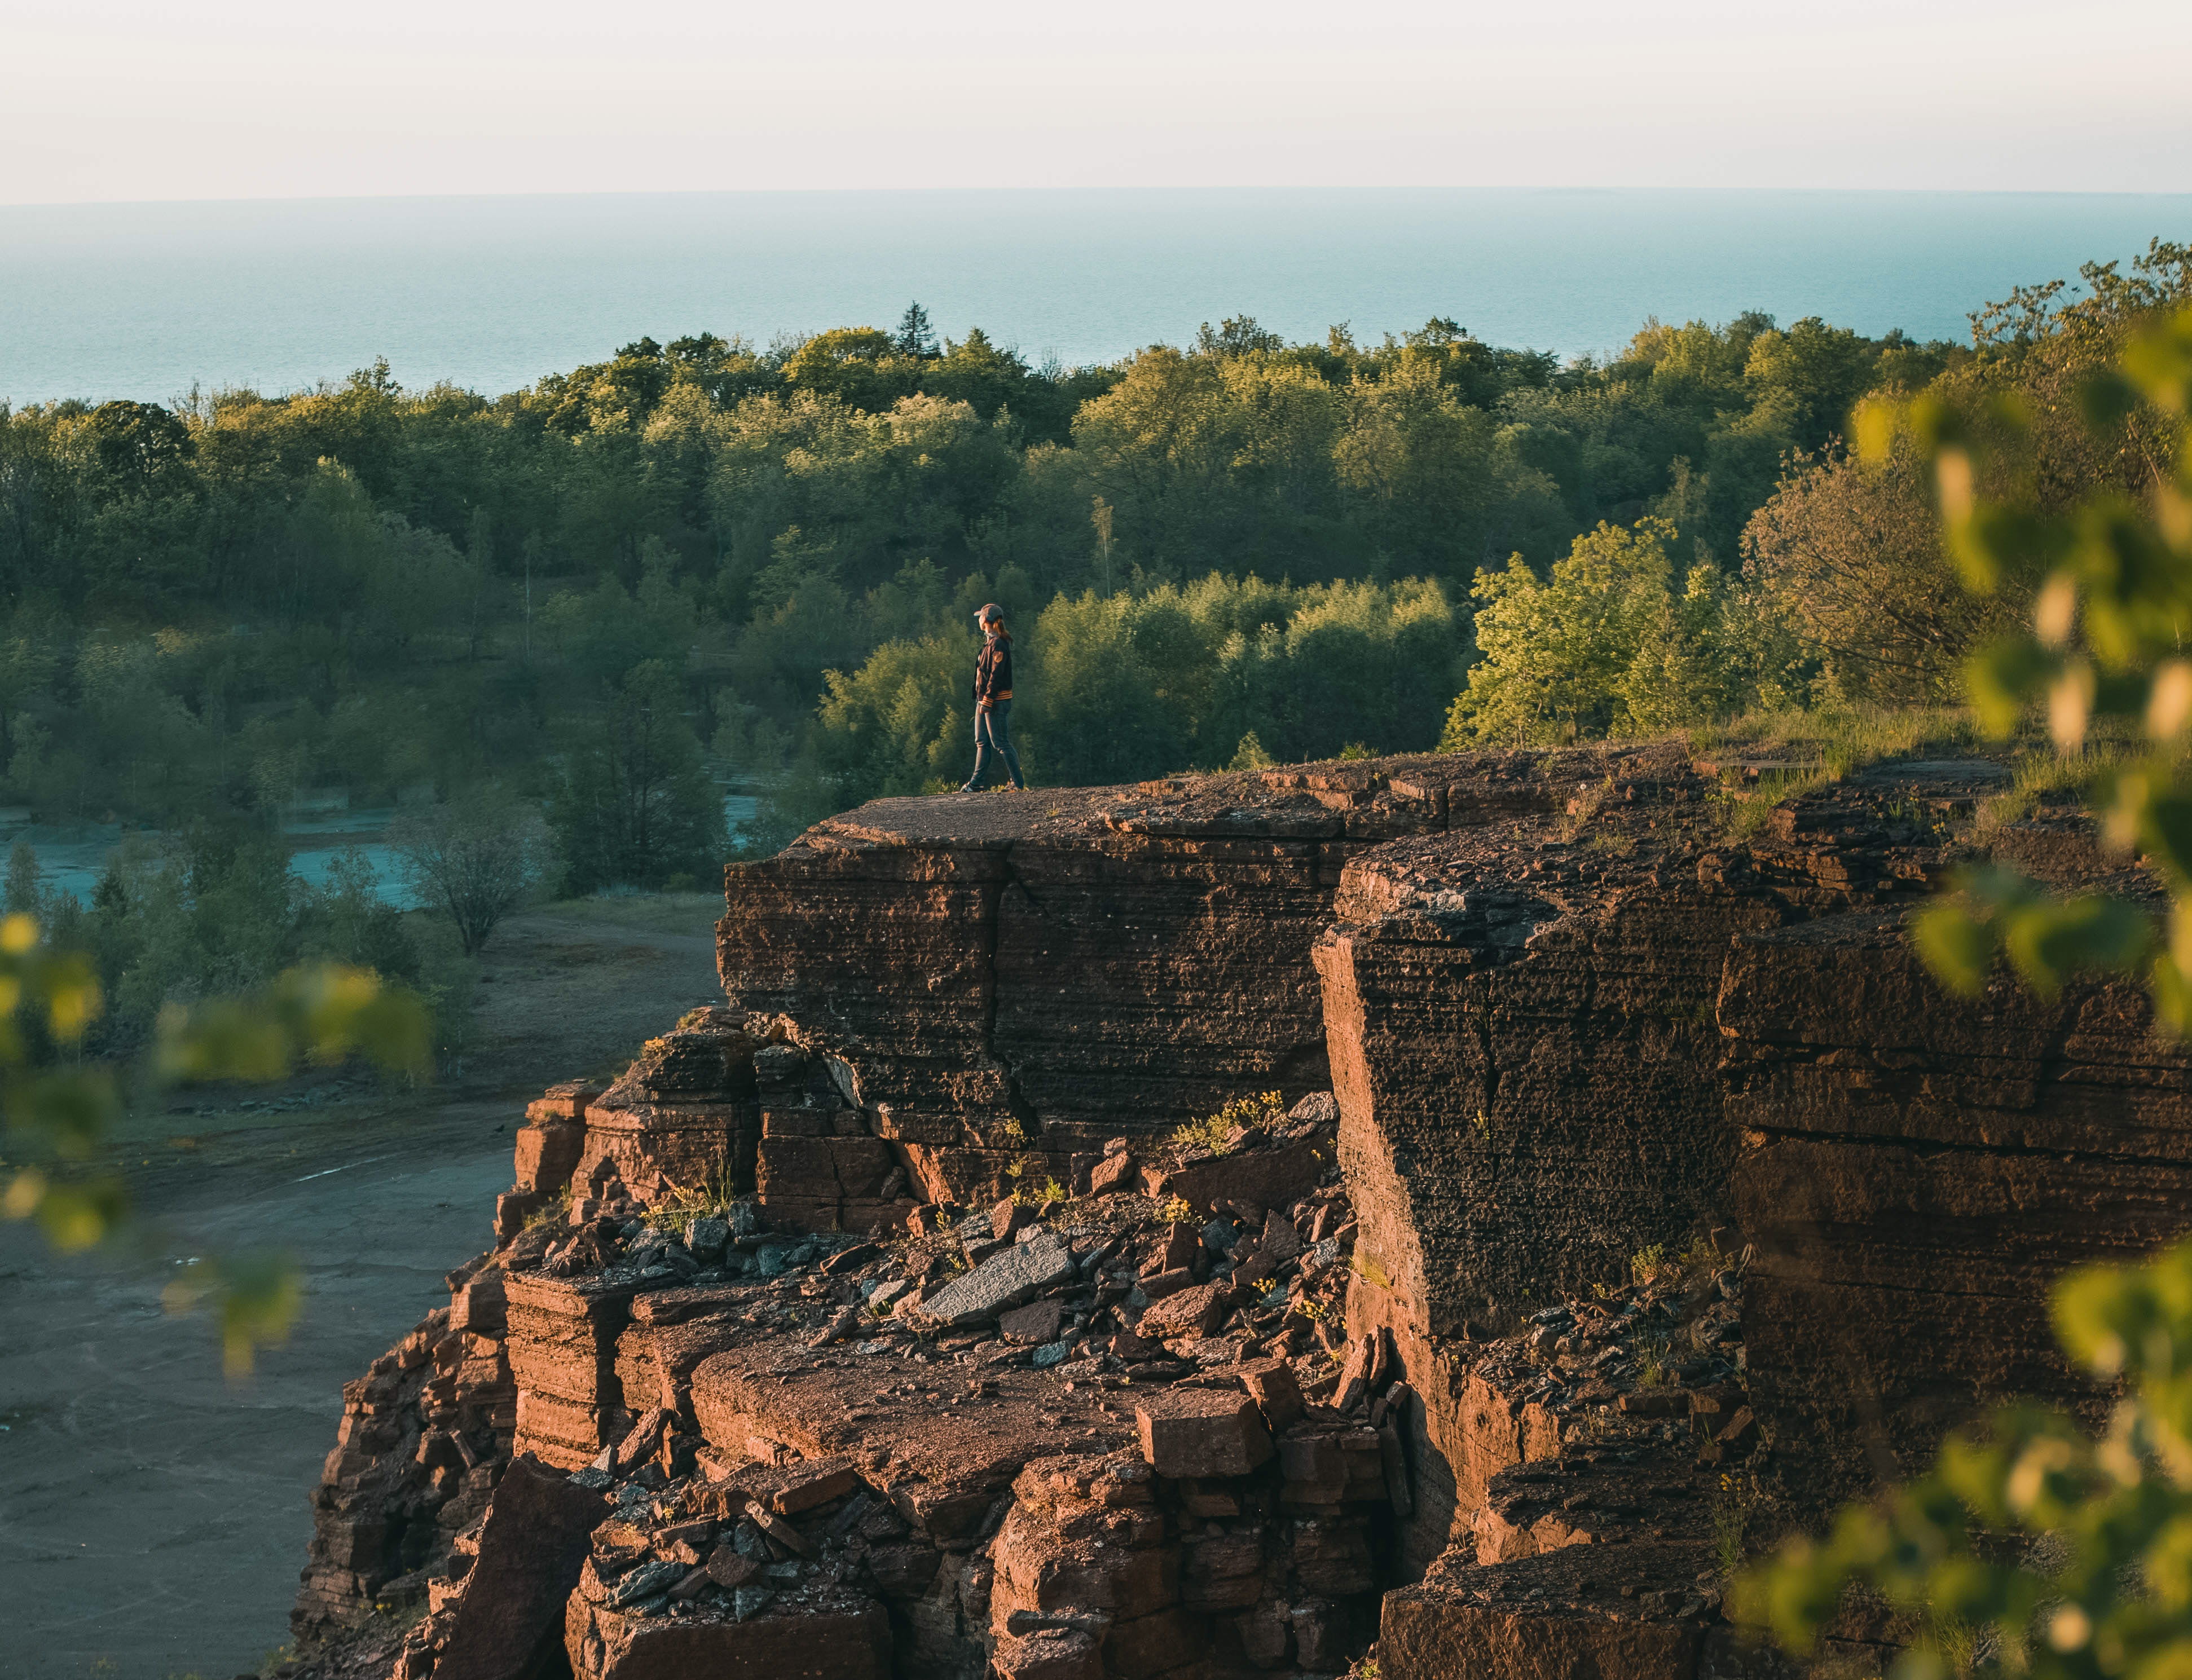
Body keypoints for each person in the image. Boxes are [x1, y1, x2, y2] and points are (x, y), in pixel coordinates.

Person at [961, 602, 1025, 791]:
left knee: (1001, 743)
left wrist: (988, 701)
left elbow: (996, 676)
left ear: (986, 621)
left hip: (995, 701)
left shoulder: (998, 644)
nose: (979, 619)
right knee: (982, 741)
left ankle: (1018, 783)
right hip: (985, 700)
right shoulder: (991, 643)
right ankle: (976, 783)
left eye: (981, 616)